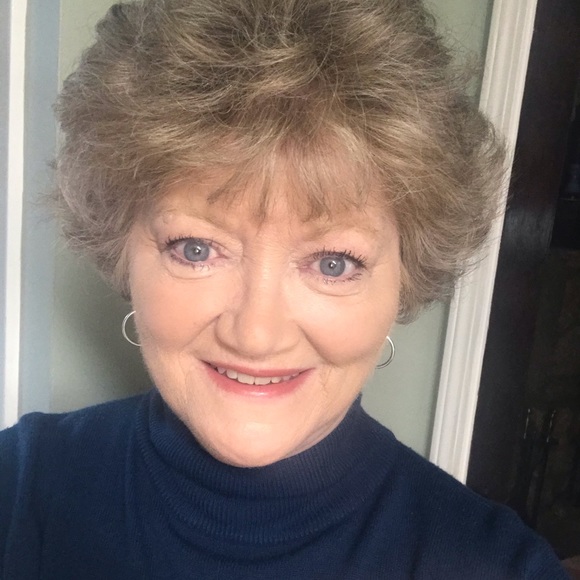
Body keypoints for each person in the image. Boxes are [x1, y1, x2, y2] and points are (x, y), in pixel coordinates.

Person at [0, 0, 569, 578]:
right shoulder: (19, 486)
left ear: (406, 277)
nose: (256, 334)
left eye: (333, 264)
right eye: (196, 249)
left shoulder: (497, 567)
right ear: (122, 251)